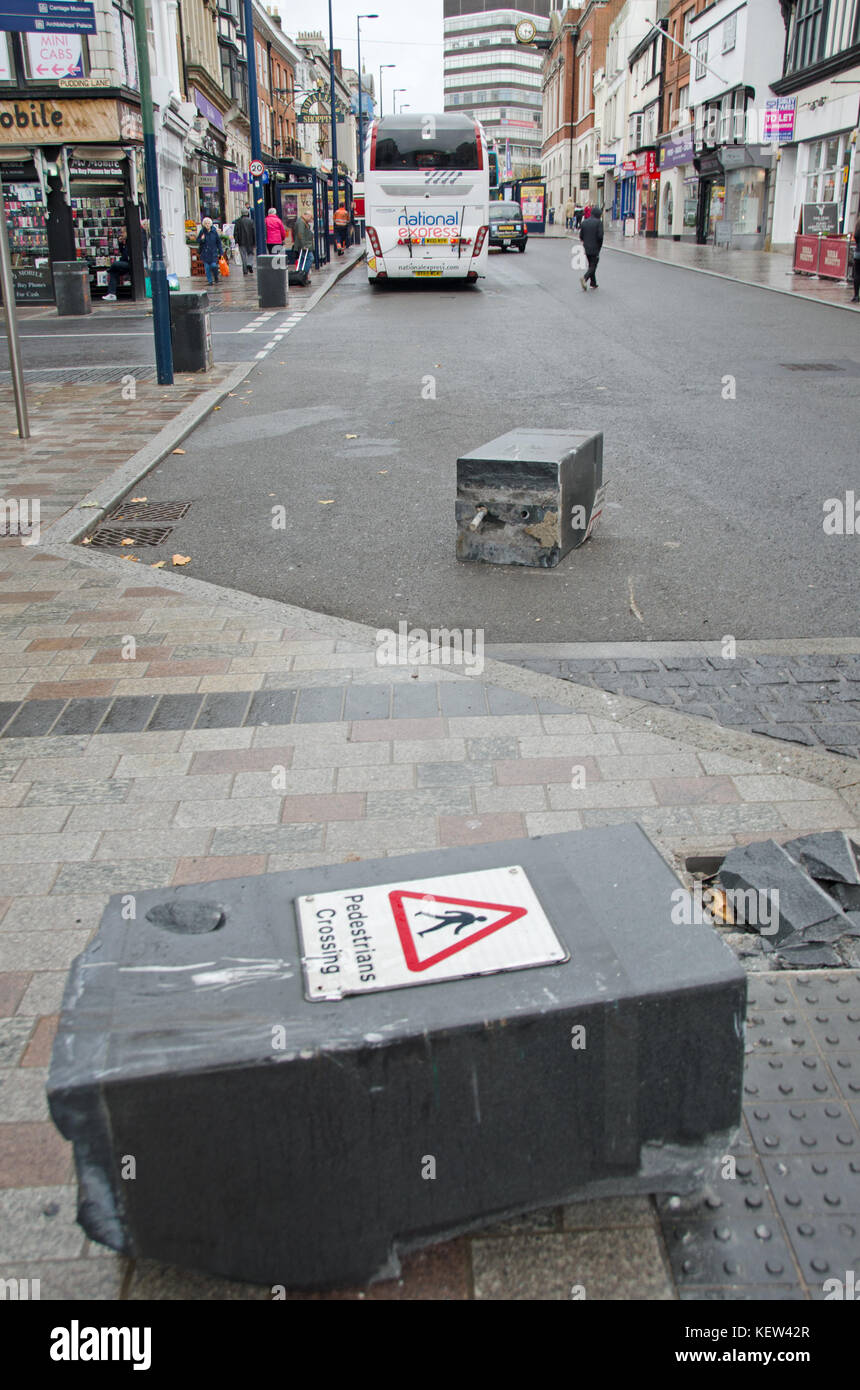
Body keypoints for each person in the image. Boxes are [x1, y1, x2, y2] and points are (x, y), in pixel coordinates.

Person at [102, 227, 131, 301]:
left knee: (115, 264)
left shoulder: (129, 242)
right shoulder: (125, 242)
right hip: (126, 263)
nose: (121, 234)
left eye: (122, 233)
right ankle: (112, 294)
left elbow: (126, 256)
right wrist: (121, 244)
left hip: (129, 264)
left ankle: (108, 270)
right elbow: (122, 253)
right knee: (113, 272)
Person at [579, 204, 603, 291]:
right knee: (593, 265)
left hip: (586, 247)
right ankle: (584, 278)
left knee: (591, 265)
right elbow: (600, 236)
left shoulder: (585, 222)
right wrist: (599, 247)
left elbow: (581, 236)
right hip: (595, 247)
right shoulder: (598, 223)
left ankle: (593, 283)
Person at [197, 217, 222, 287]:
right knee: (207, 268)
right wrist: (201, 239)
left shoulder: (214, 232)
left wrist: (221, 252)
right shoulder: (202, 231)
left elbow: (218, 242)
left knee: (214, 266)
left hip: (213, 252)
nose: (207, 225)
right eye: (206, 224)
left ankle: (216, 276)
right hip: (205, 253)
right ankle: (210, 281)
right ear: (204, 225)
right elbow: (198, 240)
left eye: (208, 223)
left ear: (211, 224)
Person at [234, 207, 256, 276]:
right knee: (251, 254)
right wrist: (255, 241)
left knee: (243, 256)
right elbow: (254, 232)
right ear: (247, 213)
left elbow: (235, 232)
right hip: (250, 241)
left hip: (241, 241)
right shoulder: (251, 221)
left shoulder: (238, 221)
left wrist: (236, 241)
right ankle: (249, 264)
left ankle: (245, 270)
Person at [851, 215, 860, 304]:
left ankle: (856, 295)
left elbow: (856, 237)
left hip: (858, 253)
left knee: (857, 274)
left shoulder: (858, 225)